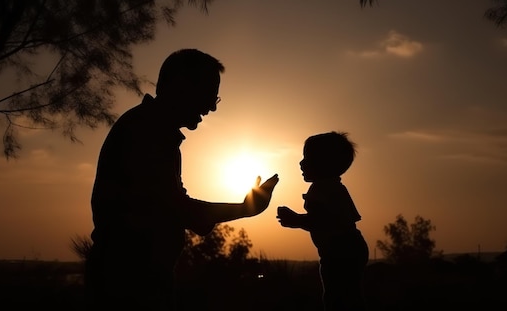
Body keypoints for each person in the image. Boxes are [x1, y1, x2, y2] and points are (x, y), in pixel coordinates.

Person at [85, 48, 279, 310]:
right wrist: (245, 210)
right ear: (181, 86)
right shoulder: (147, 133)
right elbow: (178, 209)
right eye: (210, 94)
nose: (212, 107)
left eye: (216, 98)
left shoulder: (154, 131)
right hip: (131, 281)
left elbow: (175, 204)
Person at [276, 131, 368, 311]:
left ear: (324, 163)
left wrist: (296, 220)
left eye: (307, 158)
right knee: (350, 294)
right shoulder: (335, 187)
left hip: (339, 250)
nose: (301, 163)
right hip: (350, 246)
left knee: (336, 298)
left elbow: (322, 221)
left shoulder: (320, 190)